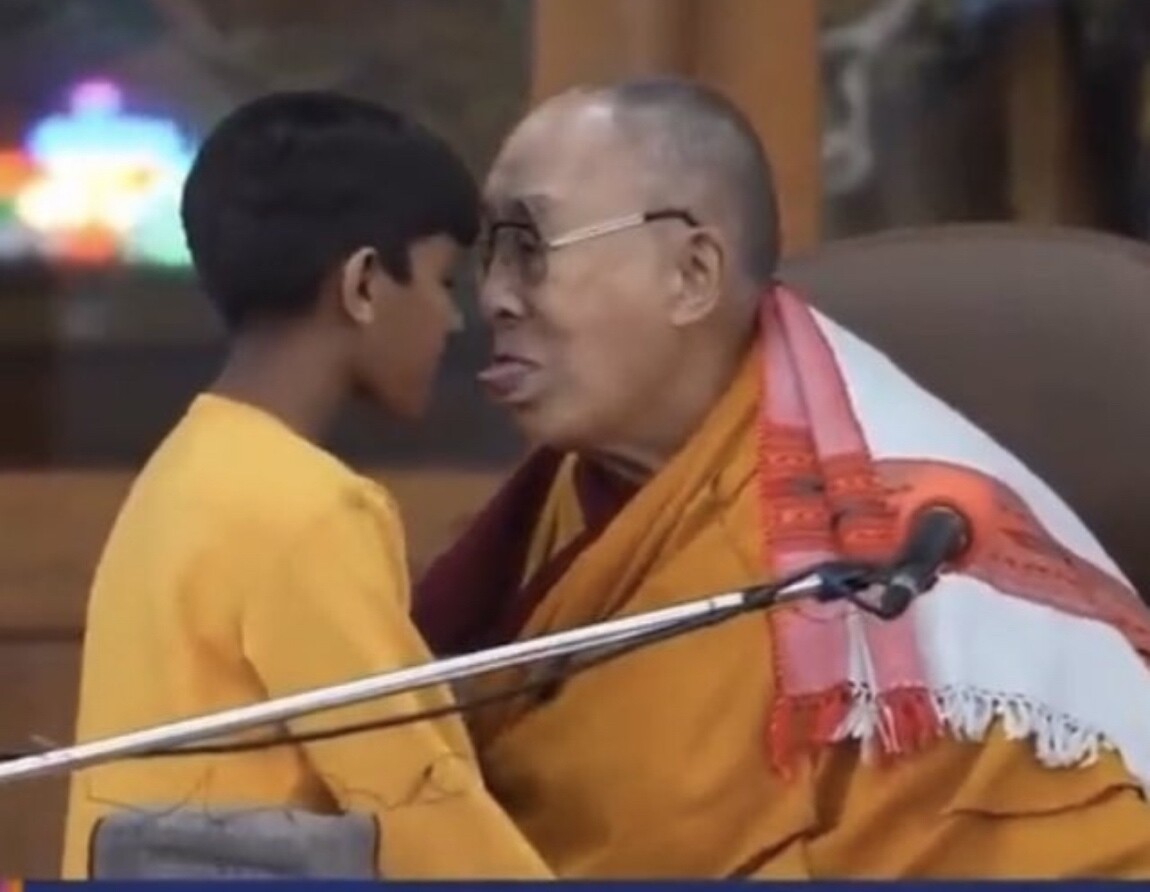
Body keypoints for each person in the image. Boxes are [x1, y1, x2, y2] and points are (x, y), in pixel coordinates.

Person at [415, 76, 1150, 879]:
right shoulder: (582, 489)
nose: (495, 297)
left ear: (692, 274)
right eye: (490, 253)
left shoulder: (876, 568)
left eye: (530, 247)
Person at [61, 91, 550, 880]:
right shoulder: (306, 509)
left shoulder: (185, 470)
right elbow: (414, 800)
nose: (454, 321)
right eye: (442, 282)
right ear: (363, 285)